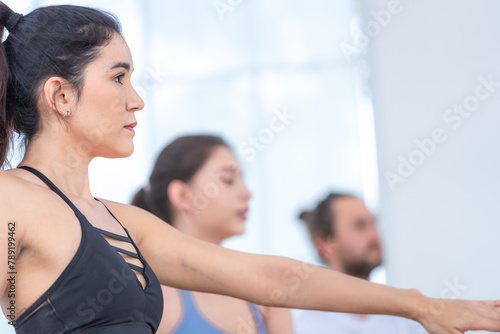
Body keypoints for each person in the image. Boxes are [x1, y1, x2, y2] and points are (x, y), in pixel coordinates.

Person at [0, 2, 499, 334]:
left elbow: (274, 279)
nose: (137, 101)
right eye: (119, 77)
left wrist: (420, 304)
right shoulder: (13, 199)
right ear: (61, 95)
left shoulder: (120, 222)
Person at [131, 135, 293, 334]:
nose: (247, 193)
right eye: (228, 180)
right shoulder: (150, 297)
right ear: (182, 195)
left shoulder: (267, 297)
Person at [294, 193, 428, 334]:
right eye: (360, 225)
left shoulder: (404, 319)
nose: (375, 235)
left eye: (374, 223)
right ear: (324, 243)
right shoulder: (304, 328)